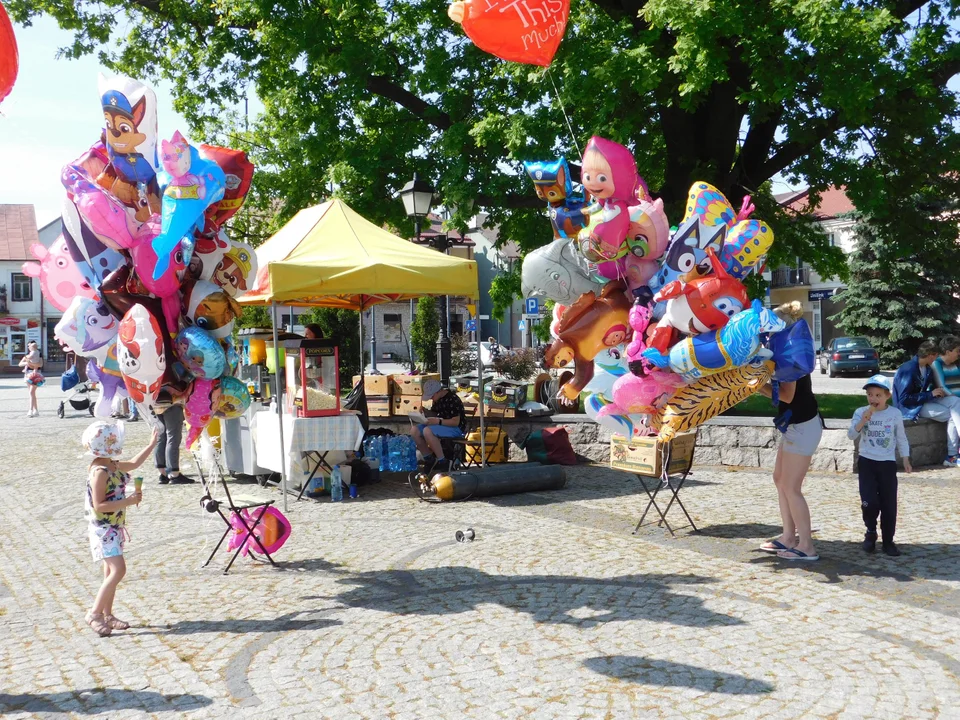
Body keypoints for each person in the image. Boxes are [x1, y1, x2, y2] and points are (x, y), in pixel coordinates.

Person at [757, 301, 821, 562]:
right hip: (796, 425)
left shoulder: (791, 356)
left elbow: (786, 395)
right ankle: (787, 537)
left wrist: (755, 387)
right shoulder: (787, 352)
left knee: (792, 487)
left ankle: (806, 546)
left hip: (803, 426)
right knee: (779, 479)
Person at [82, 421, 158, 636]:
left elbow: (134, 463)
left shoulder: (111, 465)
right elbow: (99, 505)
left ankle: (108, 615)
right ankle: (94, 613)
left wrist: (152, 444)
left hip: (114, 526)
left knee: (109, 571)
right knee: (118, 570)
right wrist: (129, 501)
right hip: (103, 528)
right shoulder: (100, 471)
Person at [847, 375, 911, 556]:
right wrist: (863, 421)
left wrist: (905, 458)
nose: (873, 399)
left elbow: (901, 437)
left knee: (888, 504)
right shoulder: (861, 412)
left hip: (887, 463)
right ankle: (870, 532)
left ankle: (888, 541)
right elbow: (851, 435)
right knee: (869, 502)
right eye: (870, 395)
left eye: (877, 395)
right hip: (867, 461)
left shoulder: (894, 414)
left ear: (887, 396)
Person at [893, 339, 960, 467]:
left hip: (923, 401)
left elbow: (926, 390)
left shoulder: (926, 368)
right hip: (911, 408)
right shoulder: (908, 369)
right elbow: (903, 399)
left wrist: (935, 393)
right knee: (953, 415)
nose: (937, 359)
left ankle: (952, 457)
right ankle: (952, 456)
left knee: (956, 403)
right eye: (936, 356)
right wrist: (930, 394)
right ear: (931, 355)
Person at [411, 378, 466, 472]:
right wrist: (426, 412)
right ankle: (429, 459)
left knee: (427, 431)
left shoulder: (453, 399)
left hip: (455, 428)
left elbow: (455, 422)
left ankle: (442, 461)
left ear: (437, 392)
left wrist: (438, 422)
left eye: (432, 396)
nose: (431, 399)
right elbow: (435, 414)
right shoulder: (437, 399)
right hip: (441, 425)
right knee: (414, 430)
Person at [930, 335, 960, 466]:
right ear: (948, 352)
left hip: (955, 401)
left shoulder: (954, 365)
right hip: (940, 399)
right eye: (957, 351)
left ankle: (952, 456)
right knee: (956, 403)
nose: (959, 354)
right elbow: (942, 388)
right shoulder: (936, 364)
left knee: (954, 415)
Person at [155, 404, 194, 484]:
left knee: (161, 437)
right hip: (172, 401)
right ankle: (174, 473)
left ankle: (162, 473)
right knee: (173, 436)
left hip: (155, 402)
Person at [18, 340, 43, 417]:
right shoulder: (27, 355)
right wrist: (27, 363)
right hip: (28, 373)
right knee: (32, 393)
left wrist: (30, 363)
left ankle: (30, 410)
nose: (29, 347)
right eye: (28, 346)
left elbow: (40, 364)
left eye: (30, 346)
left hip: (36, 374)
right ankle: (36, 411)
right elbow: (20, 364)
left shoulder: (38, 354)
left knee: (31, 392)